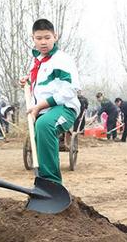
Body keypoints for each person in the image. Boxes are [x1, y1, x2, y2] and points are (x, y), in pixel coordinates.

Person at [18, 19, 80, 185]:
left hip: (64, 108)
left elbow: (69, 90)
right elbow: (44, 86)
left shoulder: (62, 60)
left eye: (47, 37)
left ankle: (52, 184)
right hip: (44, 110)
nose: (43, 42)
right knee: (40, 129)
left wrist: (39, 106)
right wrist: (28, 82)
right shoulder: (38, 61)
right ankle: (43, 181)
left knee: (44, 125)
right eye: (39, 38)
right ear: (33, 38)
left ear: (55, 36)